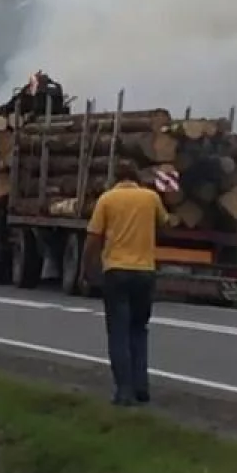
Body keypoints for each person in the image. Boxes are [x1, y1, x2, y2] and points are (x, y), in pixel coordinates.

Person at [82, 161, 174, 407]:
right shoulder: (150, 198)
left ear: (116, 179)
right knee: (139, 329)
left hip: (116, 271)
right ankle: (141, 387)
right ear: (136, 178)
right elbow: (166, 225)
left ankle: (124, 391)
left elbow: (93, 238)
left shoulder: (107, 199)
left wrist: (87, 268)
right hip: (145, 271)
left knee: (118, 333)